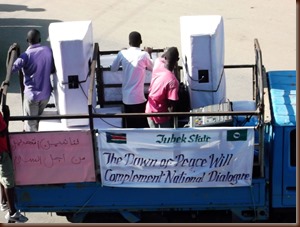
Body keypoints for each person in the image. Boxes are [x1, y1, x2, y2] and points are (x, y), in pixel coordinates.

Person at [10, 29, 55, 132]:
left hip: (32, 97)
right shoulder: (48, 51)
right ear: (40, 39)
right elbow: (52, 68)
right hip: (46, 95)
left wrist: (11, 54)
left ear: (27, 40)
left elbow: (11, 69)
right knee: (39, 121)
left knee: (31, 124)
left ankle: (33, 146)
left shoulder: (25, 56)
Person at [111, 31, 153, 128]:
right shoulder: (144, 55)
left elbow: (113, 68)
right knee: (142, 125)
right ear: (141, 41)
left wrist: (121, 54)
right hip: (139, 98)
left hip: (126, 98)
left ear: (129, 42)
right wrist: (149, 53)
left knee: (130, 125)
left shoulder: (122, 54)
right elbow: (153, 68)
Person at [0, 109, 28, 223]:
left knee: (3, 178)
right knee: (8, 180)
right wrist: (7, 117)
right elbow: (2, 131)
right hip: (1, 152)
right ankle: (12, 212)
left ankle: (4, 203)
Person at [145, 47, 180, 128]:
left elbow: (162, 57)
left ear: (165, 58)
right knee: (164, 138)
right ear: (177, 60)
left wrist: (166, 51)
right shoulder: (172, 81)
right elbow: (173, 104)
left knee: (154, 137)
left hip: (149, 110)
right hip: (161, 116)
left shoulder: (157, 63)